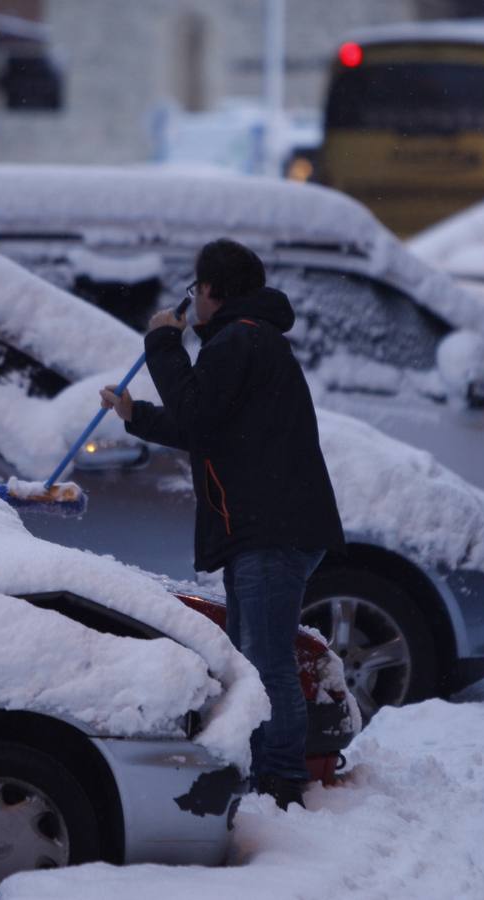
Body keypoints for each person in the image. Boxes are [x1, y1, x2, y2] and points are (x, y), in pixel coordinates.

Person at [100, 238, 345, 811]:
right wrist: (137, 416)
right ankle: (264, 769)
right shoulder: (249, 341)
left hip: (270, 529)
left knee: (264, 661)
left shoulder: (238, 341)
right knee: (254, 655)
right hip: (267, 526)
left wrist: (162, 340)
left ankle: (282, 780)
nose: (192, 301)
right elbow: (203, 424)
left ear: (210, 292)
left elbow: (195, 411)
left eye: (195, 288)